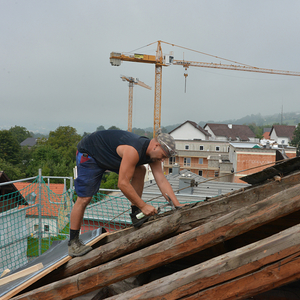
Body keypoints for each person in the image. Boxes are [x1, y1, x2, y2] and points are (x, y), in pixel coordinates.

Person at [68, 129, 183, 257]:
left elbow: (161, 180)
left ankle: (136, 214)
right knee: (84, 199)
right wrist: (144, 206)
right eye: (163, 155)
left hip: (108, 155)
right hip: (90, 154)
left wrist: (177, 205)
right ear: (156, 146)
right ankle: (73, 243)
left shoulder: (151, 154)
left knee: (140, 170)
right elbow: (122, 184)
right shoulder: (133, 150)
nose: (162, 160)